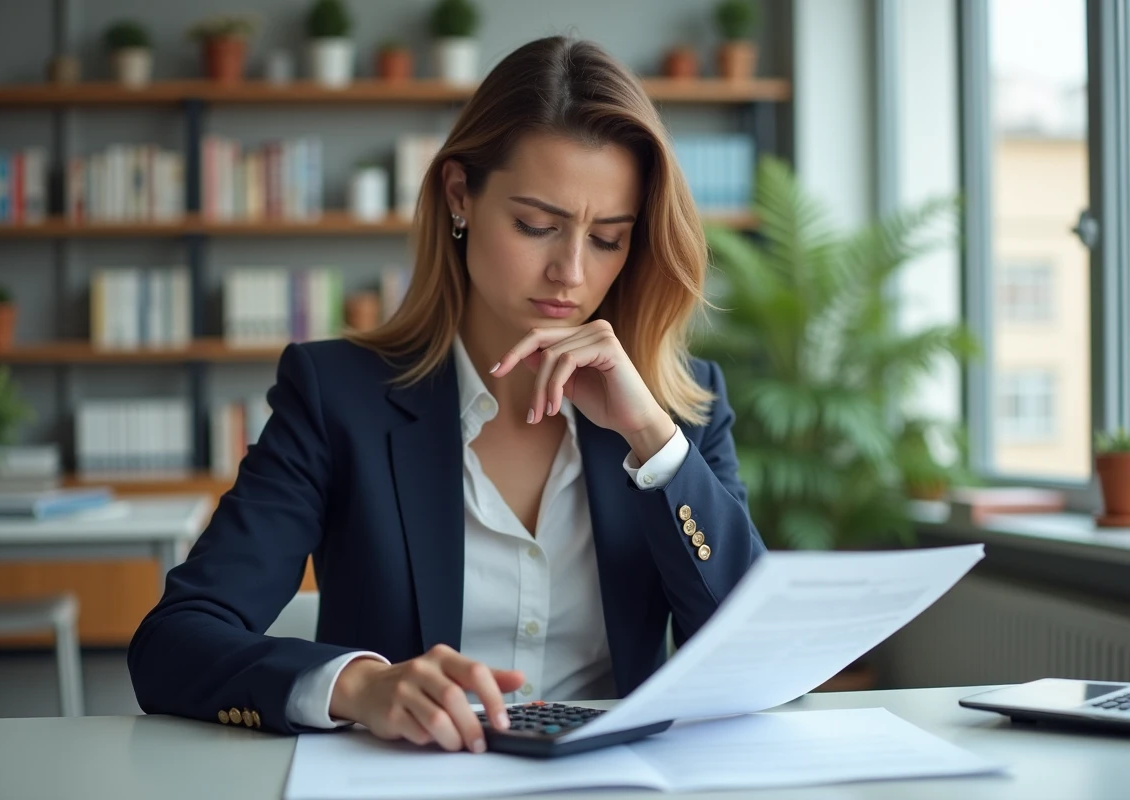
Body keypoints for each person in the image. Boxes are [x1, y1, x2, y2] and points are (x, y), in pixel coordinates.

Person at [128, 35, 765, 754]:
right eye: (536, 225)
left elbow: (757, 658)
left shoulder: (679, 410)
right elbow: (173, 644)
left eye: (609, 239)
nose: (571, 272)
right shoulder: (337, 397)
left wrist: (654, 443)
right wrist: (361, 686)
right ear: (460, 194)